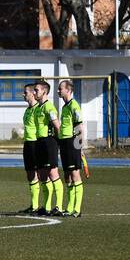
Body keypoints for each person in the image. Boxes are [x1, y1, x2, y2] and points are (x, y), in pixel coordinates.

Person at [35, 81, 64, 216]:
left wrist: (59, 143)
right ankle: (46, 207)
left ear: (44, 92)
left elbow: (57, 126)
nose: (34, 93)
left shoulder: (49, 107)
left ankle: (58, 206)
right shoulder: (38, 108)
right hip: (40, 142)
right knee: (42, 176)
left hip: (49, 143)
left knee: (53, 174)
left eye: (36, 90)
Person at [57, 79, 85, 217]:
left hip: (73, 143)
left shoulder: (74, 105)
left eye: (60, 88)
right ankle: (69, 208)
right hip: (64, 143)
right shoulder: (64, 107)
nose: (58, 91)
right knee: (67, 175)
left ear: (68, 90)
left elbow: (79, 127)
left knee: (75, 174)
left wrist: (80, 147)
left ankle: (77, 209)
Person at [19, 84, 42, 215]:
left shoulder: (38, 109)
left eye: (25, 92)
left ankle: (45, 206)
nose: (23, 94)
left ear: (33, 93)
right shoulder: (27, 110)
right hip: (27, 144)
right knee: (30, 174)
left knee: (41, 174)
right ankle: (34, 205)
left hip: (36, 144)